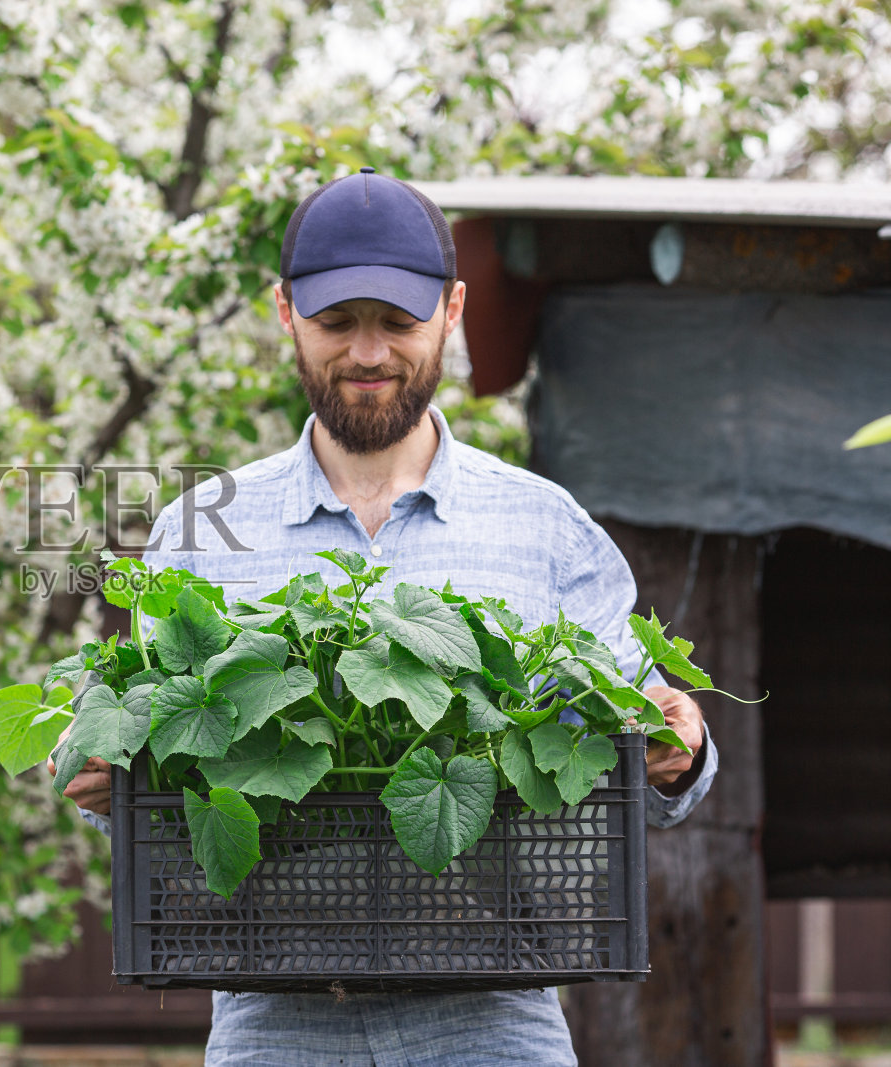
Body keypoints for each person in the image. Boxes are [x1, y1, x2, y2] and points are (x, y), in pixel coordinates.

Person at [50, 167, 717, 1066]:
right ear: (284, 312)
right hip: (273, 1020)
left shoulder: (544, 525)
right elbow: (160, 777)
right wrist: (103, 776)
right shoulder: (202, 531)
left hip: (496, 1019)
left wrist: (678, 752)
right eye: (337, 323)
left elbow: (638, 770)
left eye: (398, 322)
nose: (368, 353)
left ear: (453, 310)